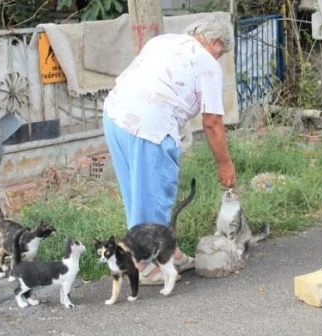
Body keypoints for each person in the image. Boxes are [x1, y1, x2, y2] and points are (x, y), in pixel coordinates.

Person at [101, 18, 237, 285]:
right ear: (216, 43)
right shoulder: (207, 62)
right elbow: (212, 122)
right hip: (151, 123)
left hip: (115, 115)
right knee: (154, 196)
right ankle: (142, 264)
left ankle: (168, 252)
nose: (218, 59)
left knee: (136, 193)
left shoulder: (162, 41)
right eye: (220, 54)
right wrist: (225, 164)